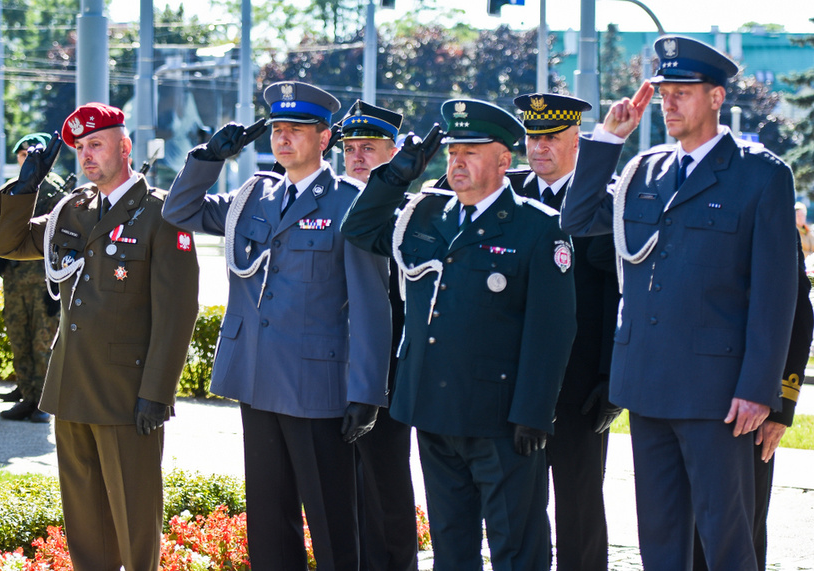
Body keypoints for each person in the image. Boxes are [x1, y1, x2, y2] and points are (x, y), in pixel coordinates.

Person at [561, 35, 798, 571]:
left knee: (726, 540)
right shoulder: (645, 170)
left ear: (716, 97)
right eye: (664, 91)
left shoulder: (760, 175)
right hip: (647, 385)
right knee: (660, 541)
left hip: (718, 395)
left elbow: (776, 293)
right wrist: (605, 140)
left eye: (682, 92)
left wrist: (761, 390)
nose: (669, 102)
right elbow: (575, 220)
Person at [163, 81, 391, 571]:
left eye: (297, 130)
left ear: (324, 138)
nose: (283, 138)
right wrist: (208, 158)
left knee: (331, 523)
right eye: (278, 129)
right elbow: (178, 211)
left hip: (317, 386)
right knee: (268, 519)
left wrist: (368, 391)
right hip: (258, 376)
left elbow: (372, 304)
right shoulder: (253, 197)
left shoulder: (350, 202)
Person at [341, 99, 577, 570]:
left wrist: (534, 411)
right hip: (432, 408)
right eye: (452, 153)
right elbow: (359, 228)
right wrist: (394, 177)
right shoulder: (427, 213)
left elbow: (552, 330)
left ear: (504, 160)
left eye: (470, 152)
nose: (457, 162)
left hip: (501, 420)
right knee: (451, 544)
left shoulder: (539, 228)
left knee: (517, 547)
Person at [0, 103, 200, 571]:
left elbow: (177, 313)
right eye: (80, 147)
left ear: (124, 147)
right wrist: (26, 188)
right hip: (71, 384)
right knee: (84, 519)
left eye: (97, 144)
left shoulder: (161, 214)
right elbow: (8, 245)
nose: (87, 155)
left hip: (129, 392)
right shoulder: (74, 209)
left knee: (134, 515)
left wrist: (157, 393)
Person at [512, 93, 621, 571]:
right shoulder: (507, 195)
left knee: (578, 502)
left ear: (578, 141)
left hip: (578, 385)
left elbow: (621, 296)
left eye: (551, 137)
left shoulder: (608, 203)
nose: (539, 148)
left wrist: (612, 378)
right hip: (510, 378)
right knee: (516, 503)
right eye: (533, 137)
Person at [692, 234, 813, 571]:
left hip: (750, 405)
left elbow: (799, 315)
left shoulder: (767, 210)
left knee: (741, 530)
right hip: (686, 397)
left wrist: (782, 408)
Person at [340, 99, 418, 571]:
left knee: (386, 483)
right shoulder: (331, 204)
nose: (357, 157)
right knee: (343, 488)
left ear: (395, 152)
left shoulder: (410, 212)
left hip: (388, 373)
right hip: (329, 369)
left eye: (369, 147)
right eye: (350, 148)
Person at [0, 133, 65, 422]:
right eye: (22, 154)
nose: (26, 158)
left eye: (32, 153)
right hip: (14, 285)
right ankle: (28, 396)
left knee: (43, 345)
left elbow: (68, 242)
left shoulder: (58, 196)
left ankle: (44, 404)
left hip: (45, 286)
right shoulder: (11, 190)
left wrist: (59, 288)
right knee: (19, 341)